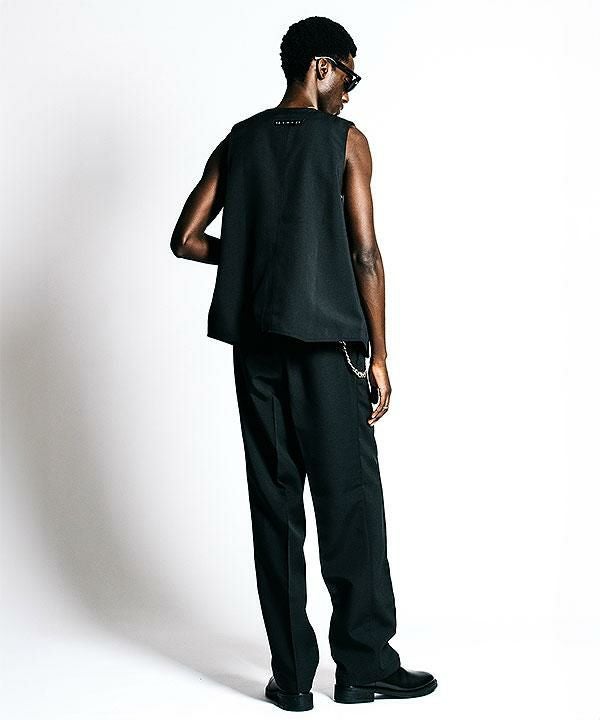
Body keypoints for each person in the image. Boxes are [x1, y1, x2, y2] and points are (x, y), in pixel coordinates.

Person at [170, 15, 437, 712]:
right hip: (329, 350)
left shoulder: (241, 139)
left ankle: (291, 679)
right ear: (321, 67)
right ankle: (363, 667)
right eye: (349, 74)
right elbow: (365, 253)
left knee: (275, 507)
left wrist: (256, 259)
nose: (350, 91)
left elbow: (188, 239)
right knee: (350, 505)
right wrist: (382, 355)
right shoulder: (344, 141)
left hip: (258, 351)